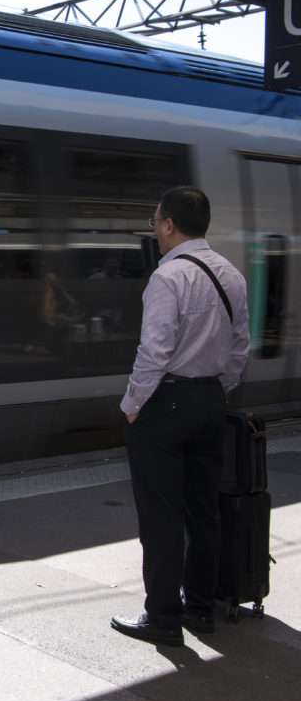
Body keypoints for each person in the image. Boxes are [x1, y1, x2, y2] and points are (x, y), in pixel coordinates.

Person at [111, 185, 249, 646]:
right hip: (210, 401)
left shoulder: (167, 277)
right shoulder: (232, 275)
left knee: (161, 515)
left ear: (169, 225)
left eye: (155, 221)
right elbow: (240, 348)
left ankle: (164, 617)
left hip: (165, 405)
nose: (155, 229)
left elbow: (155, 352)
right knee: (203, 510)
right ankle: (201, 609)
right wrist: (214, 391)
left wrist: (132, 405)